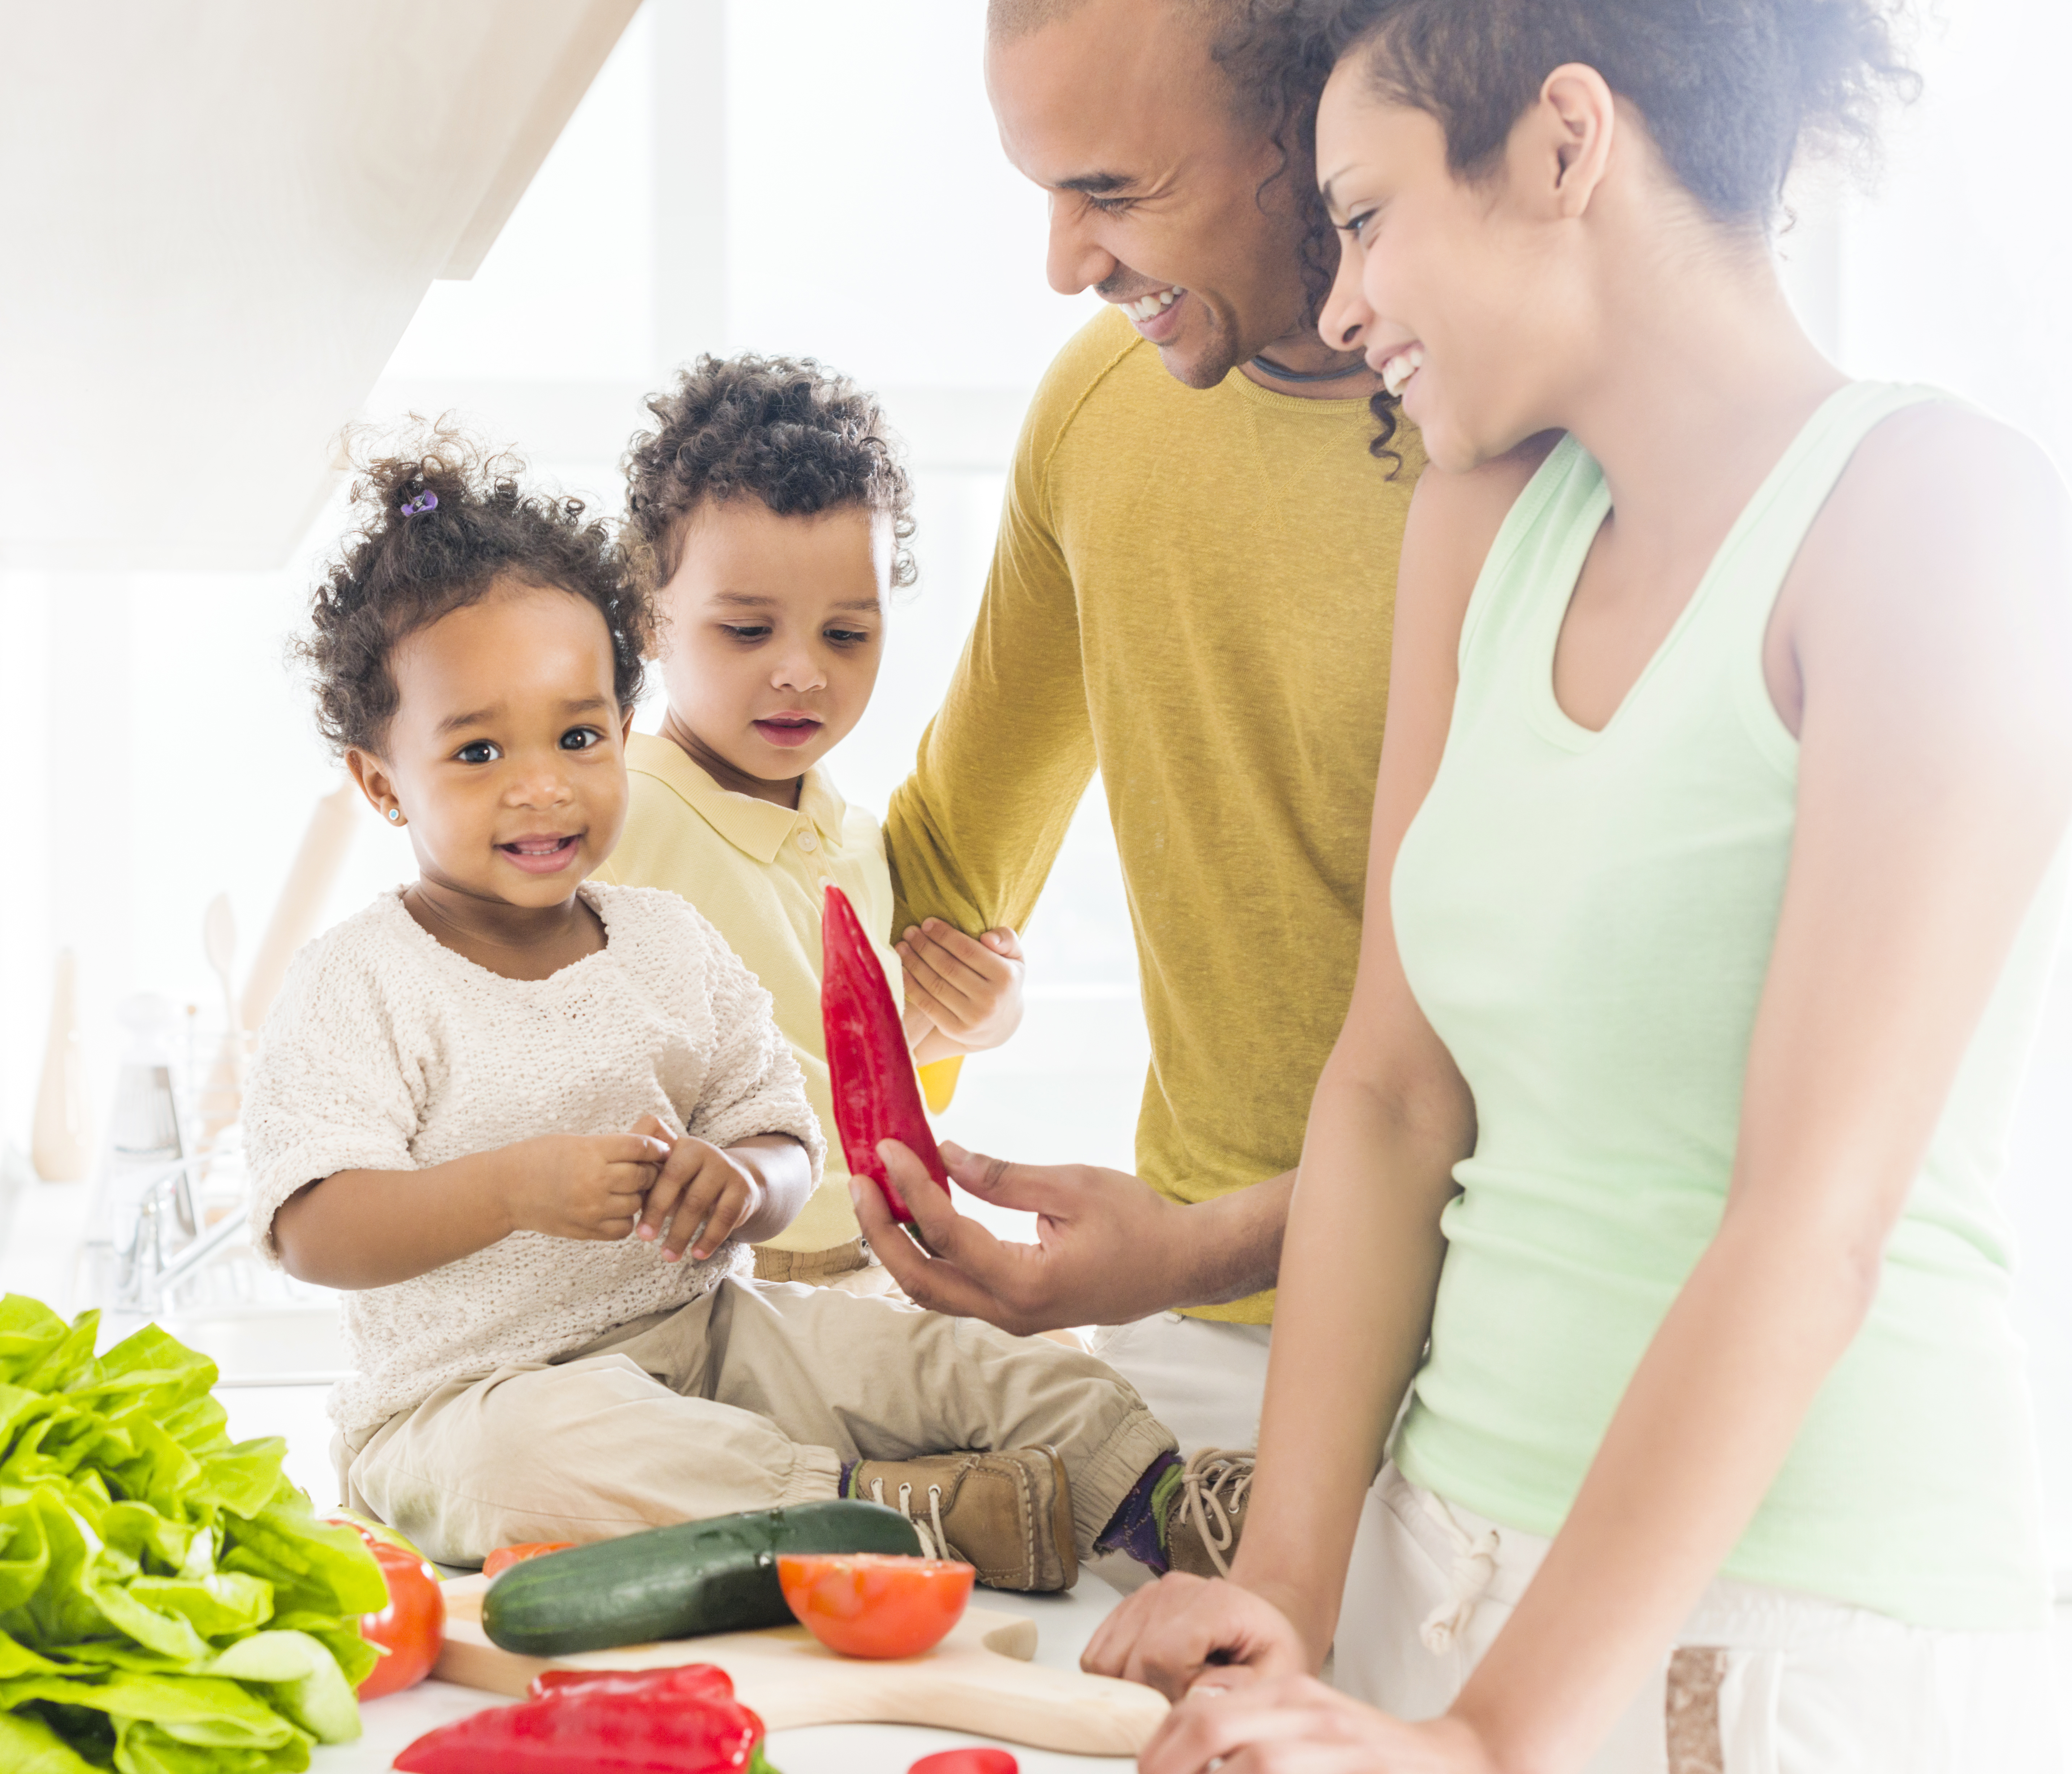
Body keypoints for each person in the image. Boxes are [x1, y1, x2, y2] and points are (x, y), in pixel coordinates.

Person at [1081, 1, 2072, 1768]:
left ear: (1561, 142)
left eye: (1368, 217)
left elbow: (1811, 1222)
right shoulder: (1484, 521)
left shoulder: (1939, 522)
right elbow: (1391, 1095)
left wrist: (1490, 1739)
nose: (1339, 303)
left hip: (1781, 1637)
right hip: (1430, 1566)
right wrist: (1289, 1586)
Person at [243, 428, 1202, 1591]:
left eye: (581, 736)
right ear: (383, 781)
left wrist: (746, 1181)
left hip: (704, 1338)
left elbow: (789, 1138)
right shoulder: (359, 980)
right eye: (481, 749)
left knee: (964, 1358)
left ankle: (1168, 1492)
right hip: (467, 1406)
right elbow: (313, 1230)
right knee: (547, 1458)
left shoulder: (665, 942)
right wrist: (512, 1189)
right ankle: (875, 1512)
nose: (542, 783)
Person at [855, 0, 1427, 1468]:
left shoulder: (1519, 445)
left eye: (1111, 192)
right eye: (1044, 190)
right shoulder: (1100, 413)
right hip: (1199, 1339)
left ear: (1309, 135)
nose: (1064, 264)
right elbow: (933, 883)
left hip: (1506, 1344)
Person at [594, 353, 1025, 1294]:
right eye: (748, 632)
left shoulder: (854, 841)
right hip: (710, 1284)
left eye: (845, 633)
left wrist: (977, 1022)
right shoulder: (623, 815)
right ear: (646, 622)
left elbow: (849, 1064)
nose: (802, 672)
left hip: (866, 1265)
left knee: (1066, 1377)